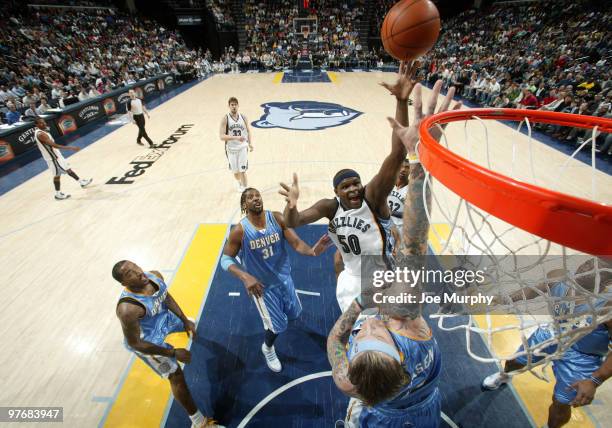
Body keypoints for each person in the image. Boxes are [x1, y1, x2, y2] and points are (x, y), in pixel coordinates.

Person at [327, 81, 461, 427]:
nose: (370, 323)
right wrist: (421, 159)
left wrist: (357, 306)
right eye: (378, 331)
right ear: (398, 349)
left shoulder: (346, 380)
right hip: (423, 409)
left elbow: (336, 338)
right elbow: (415, 248)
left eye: (364, 335)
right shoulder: (411, 332)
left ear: (352, 368)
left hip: (378, 415)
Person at [279, 62, 423, 313]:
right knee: (354, 336)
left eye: (356, 183)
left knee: (381, 342)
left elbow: (397, 153)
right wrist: (291, 205)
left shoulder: (373, 196)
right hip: (350, 280)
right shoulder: (329, 206)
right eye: (346, 186)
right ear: (336, 192)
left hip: (381, 280)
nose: (354, 189)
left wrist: (401, 102)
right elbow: (293, 222)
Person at [482, 258, 612, 428]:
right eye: (590, 261)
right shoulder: (558, 277)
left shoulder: (607, 308)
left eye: (597, 268)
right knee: (515, 361)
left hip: (582, 356)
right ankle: (504, 376)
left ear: (608, 280)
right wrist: (504, 299)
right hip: (552, 332)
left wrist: (595, 381)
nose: (588, 266)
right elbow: (531, 291)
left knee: (560, 403)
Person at [221, 188, 330, 372]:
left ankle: (275, 325)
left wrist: (312, 251)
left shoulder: (277, 218)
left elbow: (296, 243)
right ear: (244, 205)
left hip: (285, 279)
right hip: (263, 288)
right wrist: (245, 276)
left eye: (257, 195)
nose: (256, 198)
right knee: (277, 327)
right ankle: (268, 348)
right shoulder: (240, 230)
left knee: (295, 313)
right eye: (250, 197)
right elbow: (225, 259)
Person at [112, 260, 224, 428]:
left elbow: (167, 297)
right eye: (129, 273)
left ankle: (180, 325)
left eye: (134, 266)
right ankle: (199, 423)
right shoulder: (127, 310)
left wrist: (184, 320)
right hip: (148, 341)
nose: (137, 271)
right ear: (124, 283)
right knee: (175, 375)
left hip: (163, 319)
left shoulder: (154, 276)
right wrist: (174, 353)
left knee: (190, 325)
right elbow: (135, 343)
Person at [33, 117, 92, 200]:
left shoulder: (43, 131)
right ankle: (58, 194)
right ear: (36, 125)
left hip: (57, 155)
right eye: (41, 123)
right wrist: (71, 147)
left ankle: (81, 182)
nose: (44, 124)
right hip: (53, 159)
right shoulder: (41, 134)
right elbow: (54, 145)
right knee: (57, 176)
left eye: (44, 122)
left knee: (68, 169)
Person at [219, 97, 253, 192]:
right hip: (231, 149)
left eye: (235, 104)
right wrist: (235, 138)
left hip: (243, 147)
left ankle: (245, 189)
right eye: (232, 105)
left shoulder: (243, 117)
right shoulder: (225, 119)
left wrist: (250, 143)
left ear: (238, 105)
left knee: (242, 170)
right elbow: (221, 136)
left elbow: (248, 131)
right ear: (229, 106)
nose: (234, 106)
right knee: (236, 172)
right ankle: (239, 182)